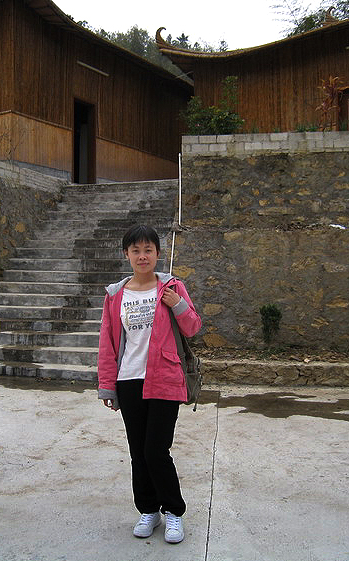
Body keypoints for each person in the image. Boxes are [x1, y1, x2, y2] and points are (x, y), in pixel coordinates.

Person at [97, 224, 202, 544]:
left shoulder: (172, 287)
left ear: (157, 253)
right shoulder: (116, 294)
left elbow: (193, 327)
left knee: (156, 450)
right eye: (136, 250)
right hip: (129, 380)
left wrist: (177, 304)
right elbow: (107, 343)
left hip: (165, 378)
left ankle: (173, 512)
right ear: (126, 254)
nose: (142, 256)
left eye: (148, 250)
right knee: (138, 453)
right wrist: (107, 385)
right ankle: (148, 510)